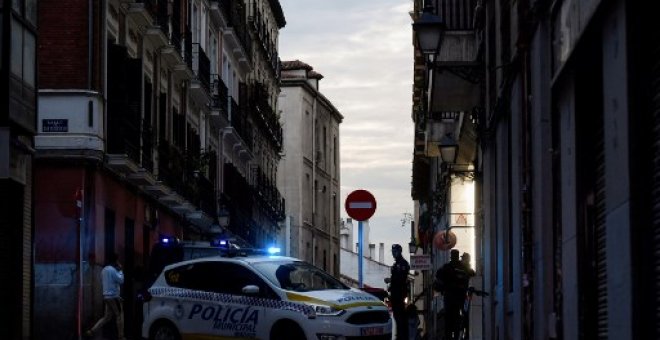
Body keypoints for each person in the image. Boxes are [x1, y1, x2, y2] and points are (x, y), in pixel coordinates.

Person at [85, 253, 125, 339]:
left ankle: (92, 330)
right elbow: (121, 280)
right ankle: (121, 337)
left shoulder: (103, 270)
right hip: (114, 297)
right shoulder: (113, 270)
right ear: (115, 261)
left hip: (106, 297)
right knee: (119, 315)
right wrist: (121, 270)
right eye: (117, 260)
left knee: (107, 317)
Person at [435, 249, 471, 340]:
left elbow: (438, 275)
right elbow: (472, 274)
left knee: (449, 320)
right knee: (458, 319)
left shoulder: (447, 267)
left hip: (449, 298)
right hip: (459, 298)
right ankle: (458, 336)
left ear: (451, 256)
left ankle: (450, 337)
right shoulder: (463, 267)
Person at [389, 244, 410, 340]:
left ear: (399, 251)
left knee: (401, 317)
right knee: (397, 317)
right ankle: (400, 335)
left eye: (395, 251)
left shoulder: (403, 264)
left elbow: (401, 279)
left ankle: (402, 336)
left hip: (400, 294)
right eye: (392, 252)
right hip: (395, 294)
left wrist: (391, 281)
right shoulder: (396, 264)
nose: (393, 254)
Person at [460, 252, 476, 338]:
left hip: (465, 296)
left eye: (463, 258)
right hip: (465, 296)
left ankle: (465, 333)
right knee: (465, 314)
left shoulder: (466, 270)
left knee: (465, 314)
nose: (461, 260)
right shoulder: (469, 270)